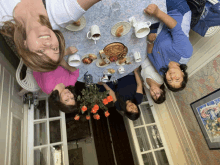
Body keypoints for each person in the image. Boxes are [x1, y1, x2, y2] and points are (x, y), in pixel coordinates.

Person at [0, 0, 101, 72]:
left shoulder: (2, 17)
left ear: (25, 45)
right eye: (54, 48)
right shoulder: (64, 14)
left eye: (41, 51)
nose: (48, 42)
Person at [144, 1, 193, 92]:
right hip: (175, 11)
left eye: (170, 80)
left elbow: (150, 54)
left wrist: (150, 42)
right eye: (177, 79)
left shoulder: (161, 70)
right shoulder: (185, 53)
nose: (172, 76)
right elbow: (175, 28)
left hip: (157, 25)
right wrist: (157, 12)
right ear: (183, 74)